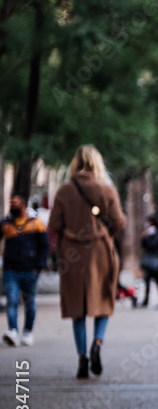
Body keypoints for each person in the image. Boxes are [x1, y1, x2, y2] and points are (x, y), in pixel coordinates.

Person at [49, 144, 126, 379]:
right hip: (100, 251)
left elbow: (54, 225)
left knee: (77, 308)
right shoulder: (106, 189)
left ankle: (82, 359)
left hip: (71, 253)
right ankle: (97, 344)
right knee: (104, 298)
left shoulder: (64, 191)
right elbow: (119, 222)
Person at [1, 194, 49, 347]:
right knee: (12, 300)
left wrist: (39, 266)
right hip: (10, 270)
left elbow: (44, 246)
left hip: (30, 270)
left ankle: (28, 332)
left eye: (15, 203)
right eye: (11, 203)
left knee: (30, 302)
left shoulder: (36, 223)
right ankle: (13, 331)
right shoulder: (6, 223)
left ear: (23, 205)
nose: (12, 206)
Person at [139, 216, 158, 308]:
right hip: (148, 261)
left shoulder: (157, 235)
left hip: (154, 262)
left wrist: (147, 238)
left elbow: (152, 246)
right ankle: (146, 300)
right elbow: (143, 246)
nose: (148, 224)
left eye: (149, 222)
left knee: (157, 281)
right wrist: (144, 237)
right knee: (147, 281)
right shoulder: (148, 234)